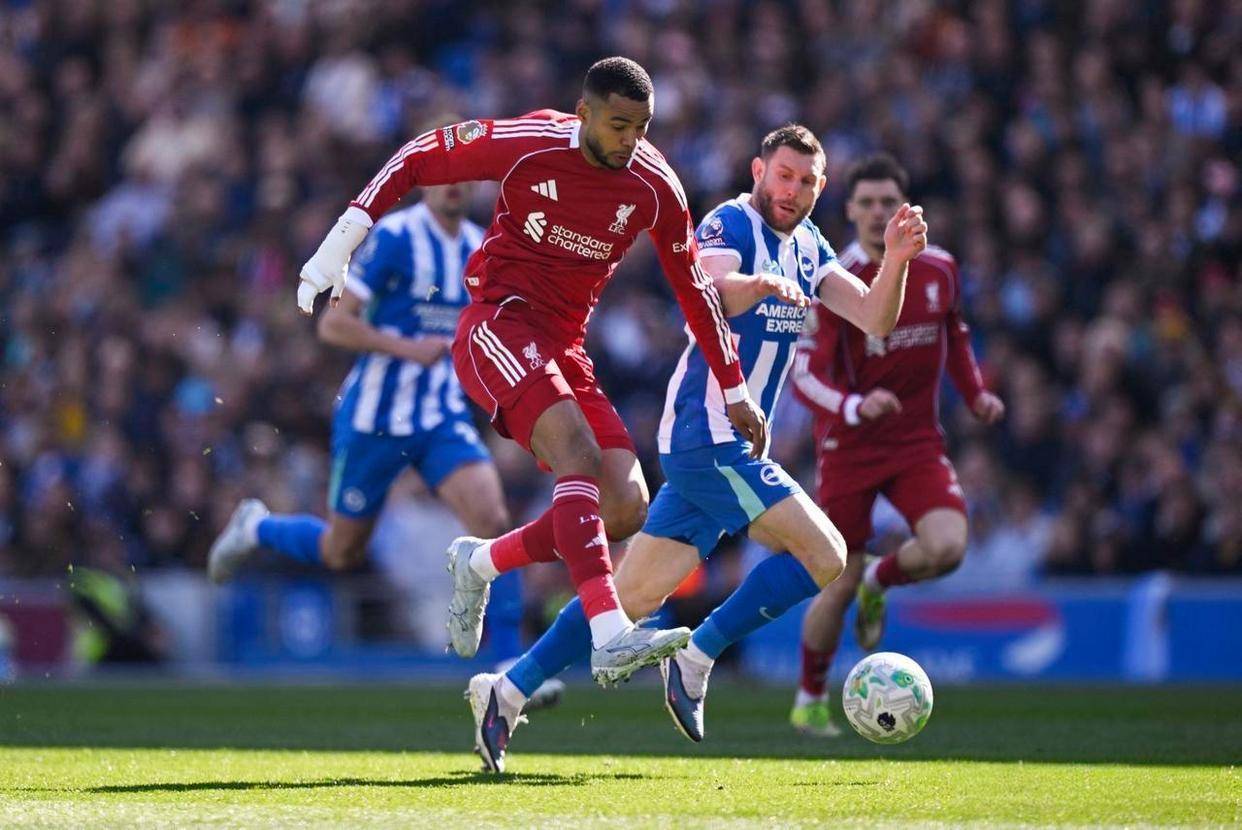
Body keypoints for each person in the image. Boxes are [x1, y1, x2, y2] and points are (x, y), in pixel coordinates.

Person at [463, 125, 929, 772]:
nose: (792, 190)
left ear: (821, 189)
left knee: (630, 598)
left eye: (806, 182)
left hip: (730, 445)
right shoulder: (729, 223)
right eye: (783, 175)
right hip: (706, 434)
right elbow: (703, 296)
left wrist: (897, 260)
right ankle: (700, 653)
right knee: (826, 554)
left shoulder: (810, 247)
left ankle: (507, 691)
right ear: (758, 171)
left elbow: (875, 317)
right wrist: (757, 286)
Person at [295, 57, 767, 688]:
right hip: (497, 323)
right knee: (578, 455)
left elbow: (695, 289)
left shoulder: (655, 186)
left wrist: (734, 388)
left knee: (626, 505)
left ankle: (482, 563)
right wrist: (339, 243)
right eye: (619, 125)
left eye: (642, 127)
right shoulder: (532, 143)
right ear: (584, 113)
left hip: (564, 347)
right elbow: (417, 156)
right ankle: (609, 634)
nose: (631, 140)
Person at [788, 154, 1004, 737]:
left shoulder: (940, 269)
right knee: (838, 580)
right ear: (850, 211)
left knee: (948, 547)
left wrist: (976, 394)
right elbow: (804, 375)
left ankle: (881, 581)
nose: (878, 212)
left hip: (915, 441)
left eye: (889, 202)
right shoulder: (835, 281)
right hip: (850, 448)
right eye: (867, 203)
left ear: (906, 210)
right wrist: (854, 407)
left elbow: (955, 334)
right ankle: (810, 698)